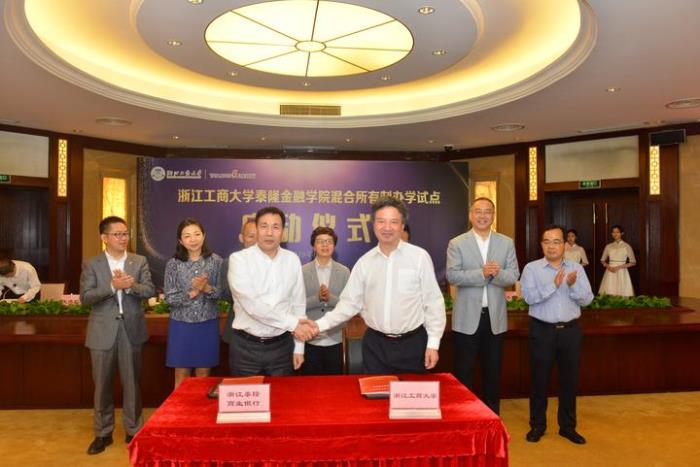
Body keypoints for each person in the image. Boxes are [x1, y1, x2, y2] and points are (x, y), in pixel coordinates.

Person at [306, 196, 446, 374]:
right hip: (375, 347)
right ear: (373, 225)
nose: (387, 227)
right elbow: (348, 304)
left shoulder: (419, 257)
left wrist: (433, 343)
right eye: (381, 221)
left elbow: (433, 302)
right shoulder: (365, 263)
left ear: (402, 226)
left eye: (393, 222)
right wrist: (317, 326)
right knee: (375, 392)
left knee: (410, 393)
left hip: (413, 345)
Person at [80, 216, 155, 455]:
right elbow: (86, 298)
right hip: (102, 332)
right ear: (104, 238)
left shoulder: (138, 261)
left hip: (131, 330)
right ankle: (103, 433)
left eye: (125, 234)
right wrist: (113, 286)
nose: (123, 238)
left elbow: (149, 290)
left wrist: (130, 286)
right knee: (102, 385)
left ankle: (134, 430)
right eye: (117, 234)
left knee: (132, 383)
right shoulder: (92, 264)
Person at [520, 225, 594, 445]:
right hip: (542, 331)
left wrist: (572, 286)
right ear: (541, 245)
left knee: (569, 381)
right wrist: (553, 285)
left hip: (570, 332)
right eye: (547, 242)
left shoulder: (576, 269)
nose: (551, 246)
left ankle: (568, 427)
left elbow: (587, 299)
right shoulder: (532, 269)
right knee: (539, 380)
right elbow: (529, 298)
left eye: (556, 242)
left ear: (564, 245)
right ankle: (537, 425)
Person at [446, 197, 519, 415]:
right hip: (466, 318)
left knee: (493, 373)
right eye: (478, 211)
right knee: (464, 372)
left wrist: (496, 273)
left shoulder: (506, 242)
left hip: (494, 319)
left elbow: (513, 275)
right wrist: (481, 273)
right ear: (471, 215)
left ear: (493, 215)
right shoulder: (457, 243)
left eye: (488, 211)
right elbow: (452, 275)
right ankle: (464, 417)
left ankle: (492, 418)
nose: (483, 216)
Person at [227, 206, 314, 376]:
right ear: (256, 229)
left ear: (283, 232)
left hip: (282, 348)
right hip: (245, 348)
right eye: (264, 226)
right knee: (246, 393)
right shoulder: (239, 260)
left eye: (275, 227)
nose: (269, 233)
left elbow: (298, 304)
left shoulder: (292, 260)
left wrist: (299, 348)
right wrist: (293, 324)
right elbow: (252, 305)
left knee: (282, 393)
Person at [164, 218, 223, 388]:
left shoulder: (216, 261)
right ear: (180, 240)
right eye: (187, 236)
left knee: (203, 374)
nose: (193, 239)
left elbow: (222, 293)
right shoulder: (173, 264)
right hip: (181, 325)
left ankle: (200, 406)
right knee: (181, 374)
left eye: (197, 234)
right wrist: (192, 293)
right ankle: (180, 406)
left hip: (207, 323)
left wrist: (207, 289)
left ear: (204, 236)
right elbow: (170, 298)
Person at [301, 227, 350, 375]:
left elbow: (349, 305)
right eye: (320, 241)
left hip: (335, 338)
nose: (325, 245)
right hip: (310, 338)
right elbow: (296, 305)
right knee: (310, 384)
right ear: (313, 246)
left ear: (334, 246)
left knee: (335, 384)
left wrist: (330, 298)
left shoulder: (344, 272)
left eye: (329, 241)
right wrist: (317, 298)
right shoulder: (302, 271)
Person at [220, 218, 257, 372]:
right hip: (238, 332)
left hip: (270, 336)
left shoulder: (275, 263)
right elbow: (226, 294)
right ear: (241, 238)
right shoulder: (230, 262)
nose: (255, 240)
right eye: (250, 236)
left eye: (258, 236)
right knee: (243, 381)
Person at [599, 225, 636, 296]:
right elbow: (602, 260)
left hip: (622, 271)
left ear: (622, 233)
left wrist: (618, 267)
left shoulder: (627, 246)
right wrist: (608, 266)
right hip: (610, 271)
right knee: (609, 292)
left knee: (622, 293)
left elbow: (633, 262)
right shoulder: (608, 246)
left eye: (617, 232)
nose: (615, 234)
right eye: (613, 232)